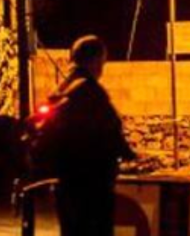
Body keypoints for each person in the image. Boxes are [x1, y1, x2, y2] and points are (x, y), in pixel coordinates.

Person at [37, 35, 135, 236]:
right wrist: (129, 155)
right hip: (92, 183)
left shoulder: (62, 89)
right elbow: (111, 130)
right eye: (102, 61)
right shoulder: (90, 90)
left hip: (66, 181)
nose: (102, 67)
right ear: (95, 60)